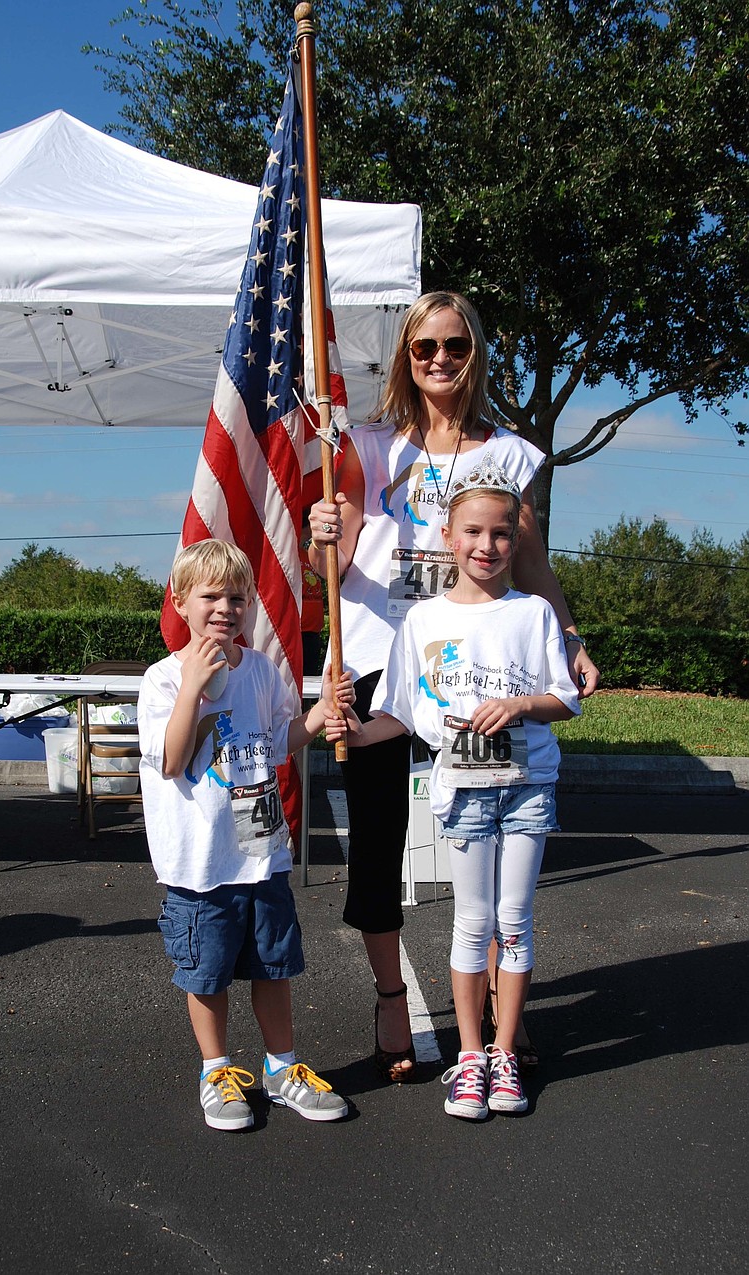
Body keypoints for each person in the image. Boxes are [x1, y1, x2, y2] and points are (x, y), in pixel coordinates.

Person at [308, 291, 597, 1081]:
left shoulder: (506, 453)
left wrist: (568, 639)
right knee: (376, 843)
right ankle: (391, 995)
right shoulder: (367, 447)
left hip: (478, 673)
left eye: (456, 346)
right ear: (406, 356)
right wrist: (318, 532)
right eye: (424, 346)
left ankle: (506, 1015)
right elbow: (326, 563)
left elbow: (532, 565)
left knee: (498, 838)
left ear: (476, 355)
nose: (439, 359)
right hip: (376, 664)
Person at [325, 457, 580, 1117]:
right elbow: (401, 715)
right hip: (463, 790)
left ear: (514, 540)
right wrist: (343, 727)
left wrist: (522, 707)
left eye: (500, 534)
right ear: (449, 535)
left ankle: (503, 1053)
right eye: (472, 532)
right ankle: (470, 1057)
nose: (486, 546)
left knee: (514, 923)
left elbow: (566, 697)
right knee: (472, 922)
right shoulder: (422, 621)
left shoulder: (532, 614)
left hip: (527, 784)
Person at [137, 540, 352, 1132]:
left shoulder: (258, 669)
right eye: (210, 596)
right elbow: (173, 761)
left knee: (272, 965)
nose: (225, 608)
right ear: (180, 602)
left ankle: (282, 1068)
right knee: (206, 974)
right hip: (201, 864)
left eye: (238, 597)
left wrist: (320, 712)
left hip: (261, 855)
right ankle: (216, 1071)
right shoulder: (161, 681)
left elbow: (277, 741)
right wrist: (192, 688)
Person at [299, 509, 325, 677]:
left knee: (309, 684)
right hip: (297, 632)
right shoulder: (287, 555)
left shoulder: (310, 555)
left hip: (313, 632)